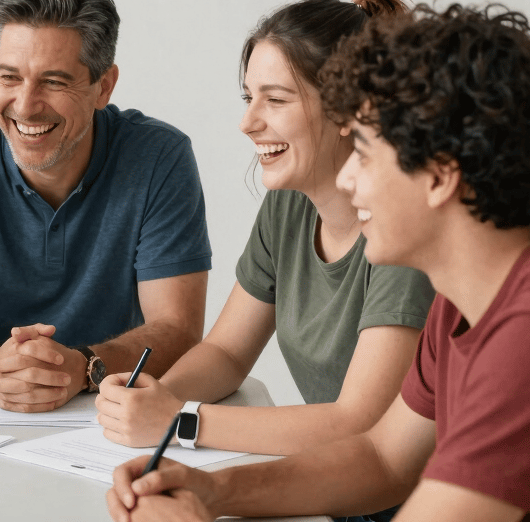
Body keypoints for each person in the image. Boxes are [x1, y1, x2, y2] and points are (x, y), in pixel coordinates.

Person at [108, 4, 530, 521]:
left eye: (367, 152)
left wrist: (182, 425)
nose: (349, 180)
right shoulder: (458, 307)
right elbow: (382, 458)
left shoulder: (520, 338)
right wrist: (211, 492)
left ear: (439, 176)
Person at [97, 0, 431, 468]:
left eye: (275, 100)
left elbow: (359, 423)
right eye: (247, 98)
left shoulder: (401, 230)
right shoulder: (290, 203)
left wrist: (179, 421)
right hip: (337, 489)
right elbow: (227, 351)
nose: (248, 122)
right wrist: (152, 398)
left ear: (350, 110)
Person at [0, 0, 211, 414]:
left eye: (54, 82)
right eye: (9, 77)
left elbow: (179, 329)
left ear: (104, 87)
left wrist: (84, 367)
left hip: (114, 411)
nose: (25, 106)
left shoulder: (159, 157)